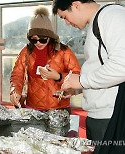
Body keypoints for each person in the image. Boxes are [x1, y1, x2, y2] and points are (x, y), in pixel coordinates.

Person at [52, 0, 125, 153]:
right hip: (99, 115)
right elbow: (100, 66)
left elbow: (121, 67)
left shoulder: (111, 15)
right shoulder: (98, 20)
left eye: (65, 16)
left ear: (76, 4)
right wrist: (78, 89)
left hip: (111, 116)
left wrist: (80, 81)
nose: (66, 23)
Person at [10, 5, 80, 135]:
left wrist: (58, 76)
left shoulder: (63, 52)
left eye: (42, 39)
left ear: (50, 36)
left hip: (59, 109)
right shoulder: (26, 52)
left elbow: (77, 75)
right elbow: (17, 74)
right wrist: (15, 90)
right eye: (33, 39)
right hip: (33, 108)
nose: (38, 43)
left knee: (58, 143)